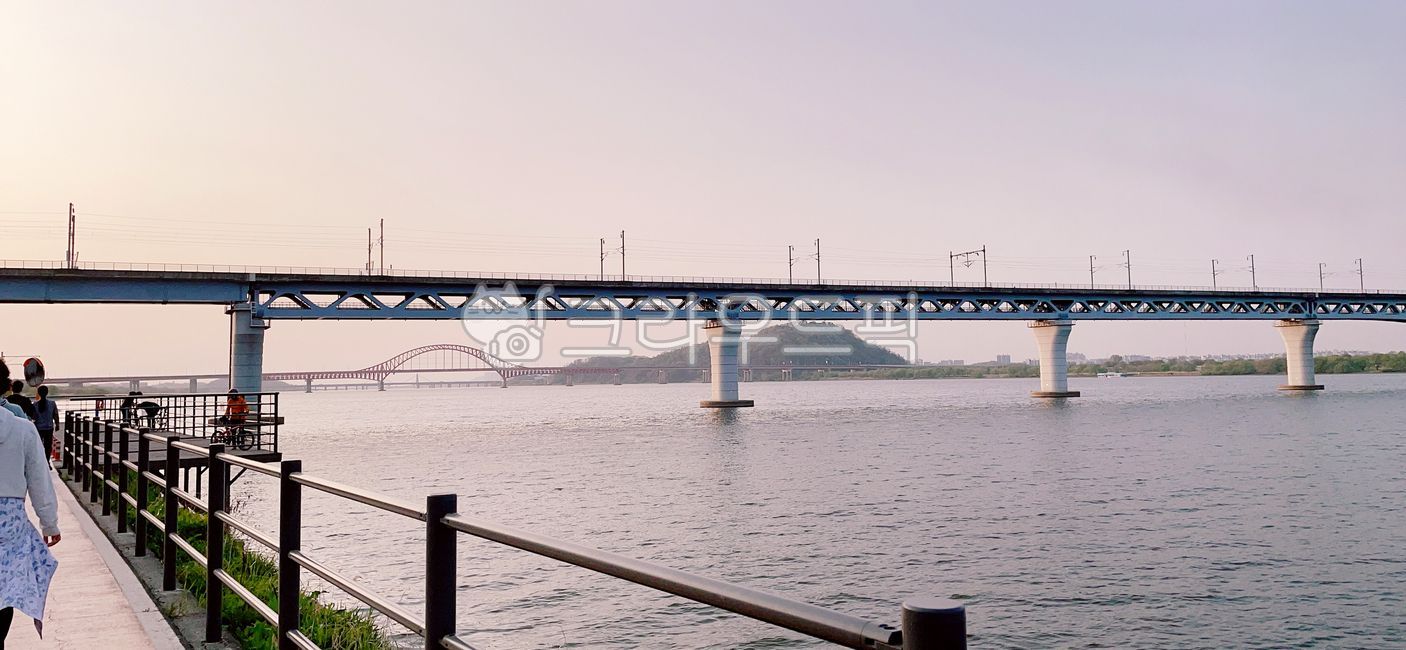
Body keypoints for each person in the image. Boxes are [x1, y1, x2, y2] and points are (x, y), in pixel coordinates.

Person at [0, 359, 60, 645]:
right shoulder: (23, 430)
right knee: (4, 591)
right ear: (5, 388)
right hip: (9, 527)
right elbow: (39, 479)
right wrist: (49, 523)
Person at [32, 387, 58, 464]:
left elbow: (34, 417)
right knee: (48, 446)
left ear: (38, 393)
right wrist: (57, 424)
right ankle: (47, 462)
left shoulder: (35, 404)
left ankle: (39, 461)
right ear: (47, 393)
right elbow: (55, 415)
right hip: (49, 427)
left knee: (39, 445)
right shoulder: (52, 403)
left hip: (38, 428)